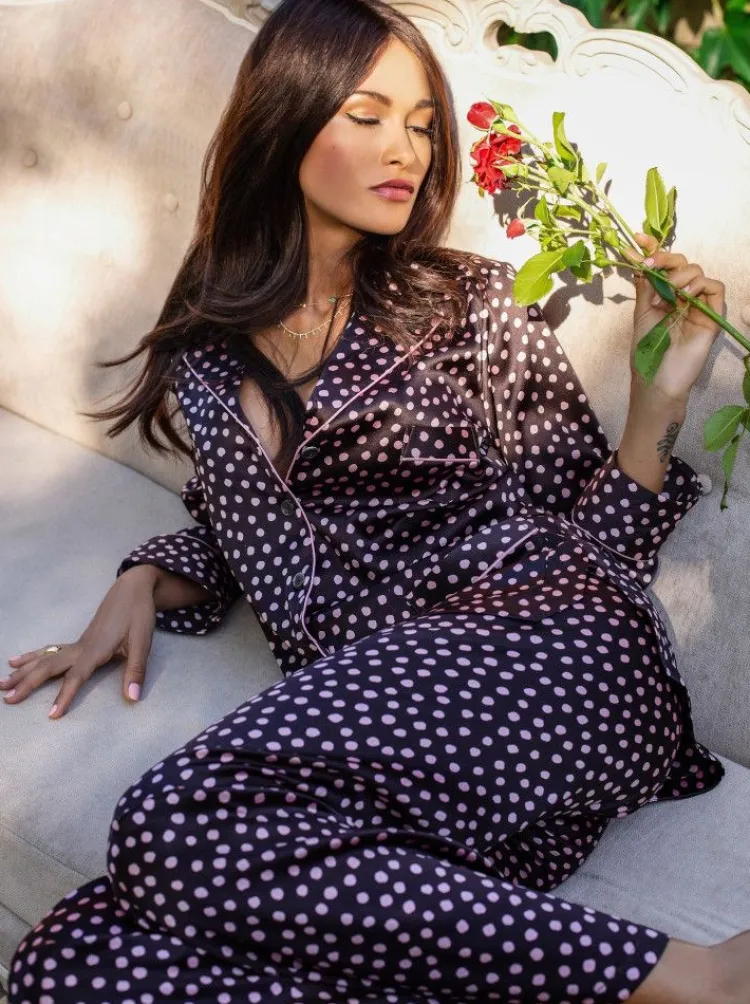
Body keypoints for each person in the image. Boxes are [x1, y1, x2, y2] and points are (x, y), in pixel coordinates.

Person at [4, 0, 748, 1000]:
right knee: (74, 961)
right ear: (284, 119)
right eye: (368, 115)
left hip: (546, 643)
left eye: (423, 125)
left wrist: (659, 402)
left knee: (175, 820)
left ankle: (698, 976)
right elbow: (250, 522)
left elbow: (590, 547)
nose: (406, 148)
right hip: (410, 752)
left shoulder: (468, 303)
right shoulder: (207, 359)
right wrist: (149, 573)